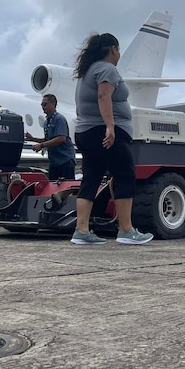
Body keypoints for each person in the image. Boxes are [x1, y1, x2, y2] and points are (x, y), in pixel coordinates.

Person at [71, 33, 153, 245]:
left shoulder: (87, 71)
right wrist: (110, 126)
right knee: (125, 174)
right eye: (119, 50)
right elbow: (103, 96)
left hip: (85, 132)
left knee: (91, 178)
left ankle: (81, 231)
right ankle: (126, 230)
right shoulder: (107, 69)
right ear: (113, 49)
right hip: (101, 131)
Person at [25, 94, 76, 180]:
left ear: (53, 104)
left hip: (65, 160)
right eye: (42, 104)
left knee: (66, 186)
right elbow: (48, 139)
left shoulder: (59, 119)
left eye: (45, 104)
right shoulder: (47, 122)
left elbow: (61, 138)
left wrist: (41, 146)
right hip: (54, 161)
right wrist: (33, 139)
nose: (42, 107)